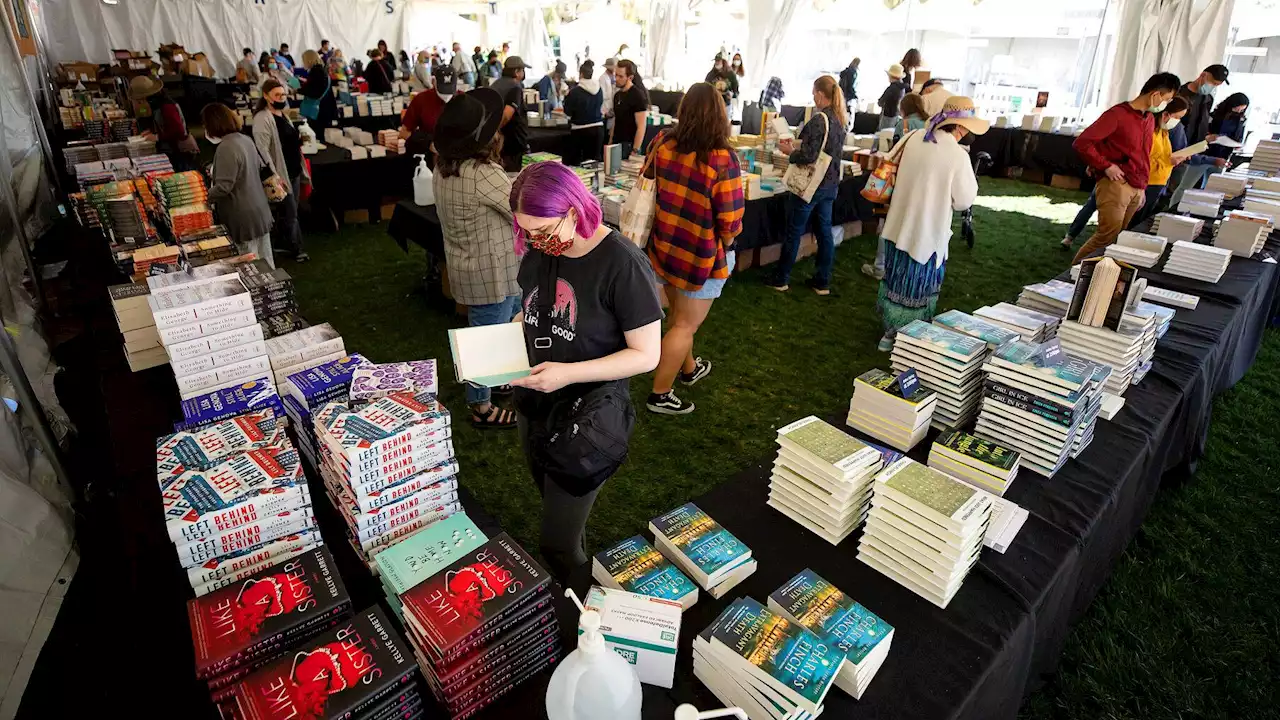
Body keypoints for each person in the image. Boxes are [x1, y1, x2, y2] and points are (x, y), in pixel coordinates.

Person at [508, 161, 663, 580]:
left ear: (574, 211)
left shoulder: (623, 264)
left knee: (556, 544)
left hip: (588, 414)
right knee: (553, 503)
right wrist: (506, 340)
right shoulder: (540, 251)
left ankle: (582, 606)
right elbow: (531, 310)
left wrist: (567, 373)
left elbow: (647, 355)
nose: (535, 243)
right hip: (534, 402)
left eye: (542, 232)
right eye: (526, 232)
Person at [643, 83, 745, 415]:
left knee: (679, 318)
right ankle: (660, 394)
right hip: (701, 256)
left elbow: (646, 183)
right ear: (720, 115)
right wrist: (729, 243)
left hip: (664, 245)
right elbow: (730, 219)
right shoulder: (722, 158)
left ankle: (688, 369)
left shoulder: (662, 142)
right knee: (685, 325)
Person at [431, 88, 522, 429]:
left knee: (497, 326)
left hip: (469, 265)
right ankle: (480, 407)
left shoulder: (443, 167)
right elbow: (518, 207)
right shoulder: (483, 173)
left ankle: (500, 380)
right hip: (492, 270)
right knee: (487, 336)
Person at [871, 96, 985, 351]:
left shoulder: (913, 138)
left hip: (898, 226)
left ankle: (889, 334)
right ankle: (908, 340)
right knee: (918, 289)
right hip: (927, 235)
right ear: (961, 127)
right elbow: (964, 200)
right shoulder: (957, 155)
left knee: (895, 283)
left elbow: (890, 163)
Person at [1070, 72, 1181, 264]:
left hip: (1136, 186)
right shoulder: (1117, 115)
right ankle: (1073, 275)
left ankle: (1094, 276)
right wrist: (1105, 166)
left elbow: (1144, 155)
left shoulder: (1148, 119)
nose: (1165, 103)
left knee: (1116, 237)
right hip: (1116, 184)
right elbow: (1083, 143)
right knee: (1105, 236)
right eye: (1166, 98)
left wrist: (1142, 188)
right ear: (1155, 94)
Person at [765, 76, 848, 296]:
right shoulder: (840, 118)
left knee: (794, 231)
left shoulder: (819, 119)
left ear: (821, 94)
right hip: (830, 184)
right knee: (824, 232)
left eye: (814, 93)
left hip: (810, 185)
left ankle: (781, 278)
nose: (813, 97)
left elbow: (809, 155)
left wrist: (790, 152)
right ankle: (822, 282)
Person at [201, 103, 274, 266]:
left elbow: (223, 187)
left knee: (250, 267)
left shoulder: (226, 147)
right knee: (266, 263)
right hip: (259, 209)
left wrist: (202, 197)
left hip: (242, 216)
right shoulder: (245, 139)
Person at [253, 80, 309, 263]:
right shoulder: (263, 118)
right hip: (281, 174)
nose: (281, 98)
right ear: (266, 96)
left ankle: (285, 243)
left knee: (290, 211)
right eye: (277, 95)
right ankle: (296, 248)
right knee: (291, 212)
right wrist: (275, 176)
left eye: (283, 95)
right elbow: (262, 150)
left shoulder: (283, 114)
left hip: (292, 170)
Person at [1167, 64, 1230, 205]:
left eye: (1216, 85)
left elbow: (1201, 123)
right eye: (1212, 83)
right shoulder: (1180, 95)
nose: (1212, 87)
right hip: (1175, 149)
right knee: (1170, 189)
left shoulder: (1207, 99)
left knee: (1184, 190)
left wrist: (1207, 137)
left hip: (1195, 151)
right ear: (1203, 75)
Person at [130, 76, 198, 171]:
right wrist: (151, 132)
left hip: (181, 151)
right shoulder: (156, 104)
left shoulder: (167, 107)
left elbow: (178, 130)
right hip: (172, 149)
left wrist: (157, 137)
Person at [399, 65, 455, 156]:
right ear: (433, 82)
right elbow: (404, 132)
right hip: (429, 156)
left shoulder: (463, 100)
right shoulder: (421, 99)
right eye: (442, 90)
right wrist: (427, 143)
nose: (446, 96)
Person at [490, 56, 531, 172]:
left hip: (499, 144)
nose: (524, 73)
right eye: (522, 70)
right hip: (512, 141)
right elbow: (507, 114)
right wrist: (496, 130)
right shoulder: (515, 87)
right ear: (516, 72)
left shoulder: (496, 84)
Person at [562, 60, 605, 165]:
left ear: (581, 74)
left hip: (580, 130)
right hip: (598, 129)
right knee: (594, 164)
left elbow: (568, 112)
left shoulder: (575, 92)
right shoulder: (599, 89)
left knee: (578, 165)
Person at [610, 59, 650, 156]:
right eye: (616, 75)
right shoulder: (617, 95)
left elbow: (641, 126)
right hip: (616, 142)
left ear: (630, 77)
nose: (617, 79)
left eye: (621, 76)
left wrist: (635, 150)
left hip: (629, 144)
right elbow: (616, 120)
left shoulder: (637, 96)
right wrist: (610, 141)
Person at [298, 49, 336, 135]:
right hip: (325, 108)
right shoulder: (321, 69)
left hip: (319, 111)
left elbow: (314, 92)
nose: (303, 63)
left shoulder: (316, 71)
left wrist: (298, 89)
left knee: (316, 135)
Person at [1206, 92, 1249, 164]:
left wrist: (1238, 145)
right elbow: (1205, 130)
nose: (1238, 111)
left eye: (1241, 110)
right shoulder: (1215, 115)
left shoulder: (1241, 120)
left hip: (1226, 153)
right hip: (1209, 150)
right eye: (1236, 109)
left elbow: (1239, 137)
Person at [877, 63, 910, 130]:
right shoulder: (902, 88)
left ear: (890, 76)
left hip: (888, 116)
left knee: (883, 135)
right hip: (897, 115)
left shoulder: (891, 88)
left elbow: (881, 102)